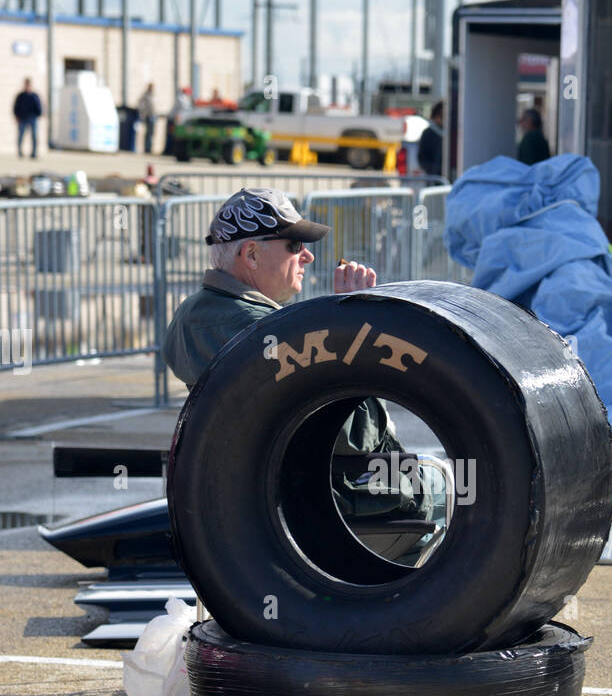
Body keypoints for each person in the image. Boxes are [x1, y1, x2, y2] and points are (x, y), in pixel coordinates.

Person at [163, 187, 430, 526]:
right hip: (321, 497)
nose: (308, 256)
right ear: (252, 255)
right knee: (455, 487)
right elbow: (360, 435)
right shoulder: (250, 328)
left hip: (259, 492)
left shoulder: (199, 312)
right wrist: (355, 328)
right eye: (294, 245)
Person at [13, 79, 42, 158]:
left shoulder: (34, 96)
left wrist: (39, 114)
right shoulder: (20, 96)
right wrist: (16, 116)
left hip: (32, 118)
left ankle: (34, 153)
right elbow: (16, 107)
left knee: (34, 136)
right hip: (22, 118)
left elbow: (39, 106)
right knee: (21, 136)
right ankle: (20, 152)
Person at [418, 100, 444, 177]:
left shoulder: (453, 133)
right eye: (441, 115)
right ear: (435, 116)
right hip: (434, 178)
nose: (444, 119)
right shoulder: (428, 133)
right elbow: (422, 158)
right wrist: (434, 169)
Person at [138, 83, 156, 154]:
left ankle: (150, 148)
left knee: (152, 133)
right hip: (148, 116)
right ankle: (147, 149)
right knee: (148, 133)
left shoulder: (153, 95)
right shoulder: (145, 95)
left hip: (153, 116)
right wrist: (143, 113)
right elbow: (141, 104)